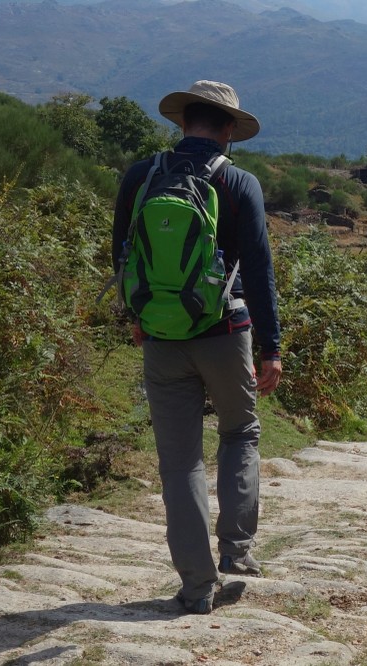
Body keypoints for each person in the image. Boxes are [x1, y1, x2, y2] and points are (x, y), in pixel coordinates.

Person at [110, 80, 283, 615]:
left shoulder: (141, 176)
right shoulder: (238, 182)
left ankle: (196, 588)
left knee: (178, 461)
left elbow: (120, 254)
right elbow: (258, 270)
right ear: (229, 129)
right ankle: (237, 551)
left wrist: (138, 318)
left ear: (182, 121)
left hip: (161, 338)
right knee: (240, 431)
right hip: (227, 334)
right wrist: (271, 346)